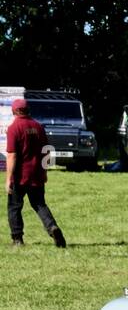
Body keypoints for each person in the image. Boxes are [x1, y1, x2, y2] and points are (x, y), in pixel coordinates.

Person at [5, 97, 65, 247]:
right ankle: (52, 227)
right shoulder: (39, 127)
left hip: (20, 176)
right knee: (39, 204)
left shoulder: (14, 128)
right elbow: (47, 151)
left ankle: (17, 239)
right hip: (37, 174)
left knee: (14, 207)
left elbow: (12, 155)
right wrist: (45, 171)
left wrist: (8, 179)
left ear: (16, 111)